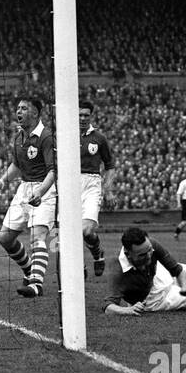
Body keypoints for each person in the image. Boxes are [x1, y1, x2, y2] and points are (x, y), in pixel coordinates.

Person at [0, 95, 56, 297]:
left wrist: (41, 191)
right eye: (18, 108)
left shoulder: (46, 137)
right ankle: (29, 270)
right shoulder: (19, 138)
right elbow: (17, 165)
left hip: (45, 188)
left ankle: (36, 284)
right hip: (24, 189)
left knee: (38, 236)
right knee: (5, 238)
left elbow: (54, 171)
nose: (19, 111)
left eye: (24, 108)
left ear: (35, 113)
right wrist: (2, 180)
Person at [78, 99, 115, 276]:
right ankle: (79, 265)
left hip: (92, 183)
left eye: (86, 115)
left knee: (86, 230)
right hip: (69, 184)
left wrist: (108, 190)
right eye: (80, 115)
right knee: (62, 231)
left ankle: (97, 252)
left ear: (91, 116)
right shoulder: (65, 135)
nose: (83, 118)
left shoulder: (99, 138)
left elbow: (110, 166)